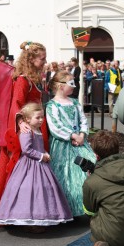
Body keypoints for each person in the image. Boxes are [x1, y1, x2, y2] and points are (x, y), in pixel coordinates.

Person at [0, 41, 48, 226]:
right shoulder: (22, 80)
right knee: (20, 173)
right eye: (42, 59)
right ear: (31, 59)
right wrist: (21, 123)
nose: (45, 62)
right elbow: (16, 103)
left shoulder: (33, 78)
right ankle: (18, 213)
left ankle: (34, 211)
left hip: (36, 127)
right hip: (27, 129)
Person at [0, 102, 73, 230]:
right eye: (38, 117)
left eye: (42, 117)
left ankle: (39, 219)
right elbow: (27, 150)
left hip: (40, 165)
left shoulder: (37, 130)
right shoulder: (26, 131)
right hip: (28, 165)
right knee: (29, 190)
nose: (41, 120)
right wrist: (42, 156)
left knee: (42, 191)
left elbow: (39, 147)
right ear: (27, 119)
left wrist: (45, 153)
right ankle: (29, 221)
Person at [46, 70, 96, 217]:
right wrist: (72, 135)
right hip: (62, 146)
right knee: (65, 176)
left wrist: (82, 135)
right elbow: (55, 126)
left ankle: (86, 206)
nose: (74, 86)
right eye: (71, 83)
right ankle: (67, 209)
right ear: (61, 86)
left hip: (80, 144)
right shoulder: (52, 106)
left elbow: (83, 120)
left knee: (88, 168)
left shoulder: (75, 103)